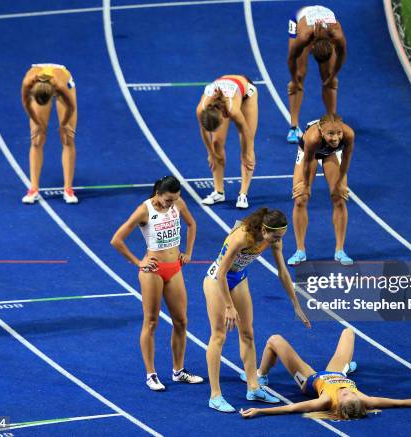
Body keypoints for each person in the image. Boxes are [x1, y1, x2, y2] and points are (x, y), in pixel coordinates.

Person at [204, 208, 311, 412]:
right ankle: (215, 395)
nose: (277, 241)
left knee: (248, 334)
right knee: (219, 336)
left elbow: (282, 272)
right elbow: (221, 273)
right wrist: (229, 306)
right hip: (217, 279)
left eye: (281, 237)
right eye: (275, 237)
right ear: (263, 229)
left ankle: (253, 387)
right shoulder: (242, 238)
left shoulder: (274, 237)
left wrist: (296, 304)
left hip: (239, 277)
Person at [111, 176, 203, 391]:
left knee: (181, 321)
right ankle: (151, 374)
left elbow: (192, 224)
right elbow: (116, 239)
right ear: (158, 194)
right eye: (168, 200)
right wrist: (138, 262)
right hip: (153, 272)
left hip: (175, 269)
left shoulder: (178, 203)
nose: (172, 204)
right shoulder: (144, 210)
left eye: (175, 199)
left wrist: (188, 252)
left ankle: (178, 371)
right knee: (151, 323)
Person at [240, 328, 411, 419]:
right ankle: (347, 369)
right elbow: (399, 403)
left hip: (310, 381)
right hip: (336, 372)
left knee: (274, 340)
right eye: (350, 393)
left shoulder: (323, 402)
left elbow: (291, 408)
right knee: (348, 332)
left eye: (344, 395)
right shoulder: (363, 399)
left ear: (337, 404)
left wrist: (260, 412)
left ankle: (261, 375)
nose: (345, 392)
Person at [288, 113, 354, 266]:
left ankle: (340, 250)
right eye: (331, 134)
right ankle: (300, 251)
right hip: (308, 154)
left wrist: (338, 184)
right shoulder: (312, 138)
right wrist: (305, 184)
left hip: (331, 154)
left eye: (338, 132)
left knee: (339, 198)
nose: (336, 138)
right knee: (300, 199)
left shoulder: (349, 134)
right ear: (322, 131)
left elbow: (346, 160)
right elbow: (308, 162)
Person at [196, 75, 258, 209]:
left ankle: (243, 194)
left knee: (247, 146)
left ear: (222, 116)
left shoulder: (232, 110)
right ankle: (218, 192)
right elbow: (204, 131)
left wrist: (245, 153)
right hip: (224, 87)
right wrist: (210, 153)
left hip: (247, 93)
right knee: (216, 143)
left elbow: (244, 131)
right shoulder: (201, 110)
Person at [287, 5, 347, 143]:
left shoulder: (337, 35)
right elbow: (290, 59)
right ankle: (293, 128)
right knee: (299, 74)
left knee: (330, 79)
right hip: (300, 20)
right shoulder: (303, 37)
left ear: (332, 45)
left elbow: (341, 58)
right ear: (311, 47)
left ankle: (331, 122)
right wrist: (294, 80)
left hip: (324, 19)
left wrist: (332, 77)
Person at [20, 63, 79, 204]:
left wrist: (64, 124)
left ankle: (68, 189)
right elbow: (27, 105)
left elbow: (71, 107)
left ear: (53, 93)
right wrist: (37, 123)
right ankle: (33, 188)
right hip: (40, 83)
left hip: (62, 78)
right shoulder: (28, 83)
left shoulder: (60, 86)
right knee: (36, 139)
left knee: (67, 138)